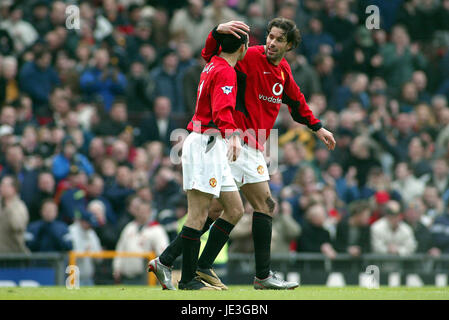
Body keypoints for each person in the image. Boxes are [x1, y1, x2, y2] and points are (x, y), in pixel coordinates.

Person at [151, 18, 335, 291]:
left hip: (251, 145)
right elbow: (212, 57)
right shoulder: (248, 56)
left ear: (290, 45)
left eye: (278, 39)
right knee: (250, 206)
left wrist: (317, 127)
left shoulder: (283, 71)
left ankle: (176, 262)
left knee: (226, 210)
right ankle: (252, 275)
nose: (271, 42)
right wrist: (216, 33)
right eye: (270, 36)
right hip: (232, 141)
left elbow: (297, 101)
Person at [149, 31, 248, 290]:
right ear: (243, 47)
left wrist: (215, 31)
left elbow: (206, 50)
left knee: (234, 209)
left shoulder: (212, 62)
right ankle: (189, 280)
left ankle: (169, 260)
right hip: (206, 143)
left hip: (212, 146)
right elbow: (221, 110)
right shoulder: (226, 71)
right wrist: (234, 135)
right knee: (197, 214)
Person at [113, 201, 169, 285]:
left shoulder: (157, 229)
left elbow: (163, 252)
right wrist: (117, 268)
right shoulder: (129, 227)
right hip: (127, 275)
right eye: (140, 211)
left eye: (145, 211)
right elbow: (120, 249)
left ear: (150, 212)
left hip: (146, 275)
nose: (142, 214)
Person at [0, 175, 29, 253]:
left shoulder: (19, 207)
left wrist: (9, 208)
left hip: (14, 254)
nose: (1, 188)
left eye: (5, 185)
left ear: (14, 189)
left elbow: (17, 226)